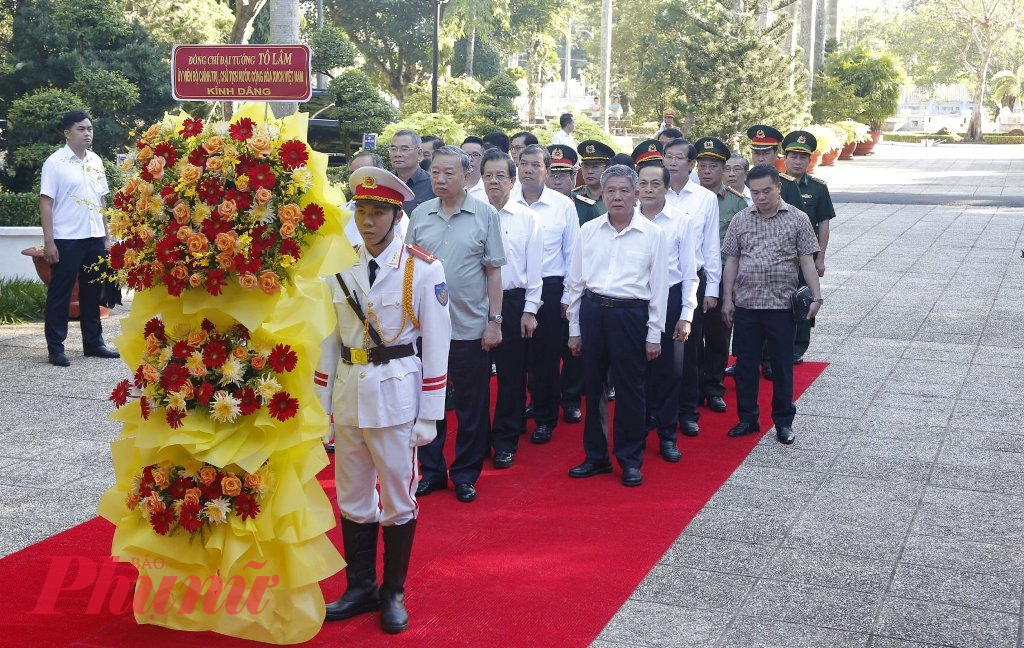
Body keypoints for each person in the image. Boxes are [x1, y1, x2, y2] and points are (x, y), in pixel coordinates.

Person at [318, 167, 451, 634]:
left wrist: (431, 416)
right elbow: (327, 341)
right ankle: (360, 587)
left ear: (398, 216)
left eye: (378, 213)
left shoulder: (421, 267)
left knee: (398, 498)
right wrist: (321, 410)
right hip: (351, 393)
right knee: (353, 497)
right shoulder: (339, 265)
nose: (369, 221)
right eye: (362, 211)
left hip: (397, 395)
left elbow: (437, 343)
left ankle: (392, 592)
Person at [406, 146, 506, 503]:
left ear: (467, 176)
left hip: (469, 327)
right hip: (425, 330)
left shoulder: (485, 215)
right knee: (428, 403)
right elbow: (408, 270)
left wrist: (494, 322)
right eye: (435, 173)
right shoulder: (419, 214)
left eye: (449, 173)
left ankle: (465, 474)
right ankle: (431, 471)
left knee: (471, 406)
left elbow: (494, 271)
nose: (440, 179)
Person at [566, 165, 668, 487]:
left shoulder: (653, 235)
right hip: (594, 311)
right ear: (602, 194)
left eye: (625, 190)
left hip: (631, 316)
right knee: (593, 386)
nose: (617, 197)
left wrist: (654, 334)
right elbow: (575, 283)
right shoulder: (589, 230)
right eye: (611, 191)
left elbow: (659, 289)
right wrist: (574, 328)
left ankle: (630, 459)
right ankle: (596, 456)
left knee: (630, 390)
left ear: (636, 194)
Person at [720, 165, 822, 445]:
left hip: (781, 307)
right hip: (747, 306)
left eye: (766, 191)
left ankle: (783, 422)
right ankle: (748, 418)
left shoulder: (798, 219)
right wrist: (727, 299)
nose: (761, 197)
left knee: (781, 367)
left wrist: (817, 295)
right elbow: (732, 260)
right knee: (746, 367)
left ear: (778, 187)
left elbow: (806, 262)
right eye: (755, 192)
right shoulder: (741, 219)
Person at [632, 141, 699, 463]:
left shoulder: (680, 221)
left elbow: (690, 272)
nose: (647, 189)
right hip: (635, 301)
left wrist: (687, 314)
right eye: (642, 183)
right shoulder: (625, 219)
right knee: (637, 370)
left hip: (670, 299)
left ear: (666, 186)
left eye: (655, 183)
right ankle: (640, 428)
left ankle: (667, 435)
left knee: (670, 372)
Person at [40, 110, 119, 367]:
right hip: (66, 239)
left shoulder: (95, 160)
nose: (87, 133)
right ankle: (56, 348)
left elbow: (101, 200)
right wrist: (49, 241)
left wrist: (107, 237)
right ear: (67, 133)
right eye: (81, 129)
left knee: (92, 292)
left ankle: (94, 343)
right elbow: (46, 203)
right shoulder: (55, 163)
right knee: (60, 294)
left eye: (90, 129)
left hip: (94, 237)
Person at [512, 144, 580, 444]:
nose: (528, 170)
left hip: (551, 289)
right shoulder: (506, 201)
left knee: (546, 358)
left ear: (547, 171)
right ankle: (514, 416)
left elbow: (573, 254)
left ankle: (545, 417)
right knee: (515, 358)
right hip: (515, 289)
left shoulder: (562, 205)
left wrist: (568, 297)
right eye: (524, 164)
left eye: (535, 165)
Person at [483, 149, 542, 469]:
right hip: (475, 304)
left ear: (513, 180)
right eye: (488, 176)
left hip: (514, 301)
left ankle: (505, 440)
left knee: (511, 377)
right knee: (477, 376)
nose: (494, 181)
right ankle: (478, 438)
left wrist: (530, 310)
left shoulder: (528, 219)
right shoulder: (474, 213)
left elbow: (535, 270)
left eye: (500, 176)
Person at [662, 137, 720, 438]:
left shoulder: (704, 199)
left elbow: (710, 246)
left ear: (691, 163)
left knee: (687, 349)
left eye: (678, 157)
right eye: (668, 156)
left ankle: (687, 411)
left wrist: (712, 288)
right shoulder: (651, 194)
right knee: (655, 348)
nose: (672, 162)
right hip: (653, 283)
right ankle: (658, 411)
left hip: (690, 281)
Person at [746, 125, 806, 380]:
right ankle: (747, 358)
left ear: (776, 153)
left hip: (782, 264)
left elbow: (803, 223)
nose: (760, 157)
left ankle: (772, 359)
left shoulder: (786, 185)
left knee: (778, 319)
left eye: (766, 152)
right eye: (756, 152)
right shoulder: (739, 177)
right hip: (748, 268)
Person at [694, 137, 748, 413]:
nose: (706, 170)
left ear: (724, 168)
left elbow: (743, 246)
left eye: (713, 165)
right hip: (693, 277)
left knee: (718, 335)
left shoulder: (736, 203)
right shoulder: (685, 198)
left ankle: (714, 387)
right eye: (702, 164)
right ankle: (692, 387)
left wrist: (735, 286)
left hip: (724, 277)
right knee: (690, 336)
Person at [781, 130, 835, 364]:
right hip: (781, 253)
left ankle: (798, 346)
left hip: (807, 253)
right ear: (785, 158)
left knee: (803, 297)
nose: (797, 161)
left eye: (802, 157)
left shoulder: (818, 188)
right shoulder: (776, 184)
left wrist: (820, 258)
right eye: (793, 156)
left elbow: (823, 223)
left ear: (809, 159)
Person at [342, 151, 409, 247]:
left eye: (378, 213)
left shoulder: (395, 213)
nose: (367, 222)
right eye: (361, 211)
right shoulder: (341, 212)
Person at [389, 129, 436, 214]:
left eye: (404, 149)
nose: (397, 154)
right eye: (393, 149)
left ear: (419, 153)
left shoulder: (433, 184)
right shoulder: (384, 182)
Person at [576, 140, 614, 217]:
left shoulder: (615, 196)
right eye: (585, 166)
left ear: (607, 168)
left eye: (595, 166)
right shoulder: (575, 196)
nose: (589, 171)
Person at [462, 136, 487, 201]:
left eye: (475, 155)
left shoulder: (489, 186)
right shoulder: (452, 185)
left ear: (483, 158)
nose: (470, 159)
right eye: (465, 155)